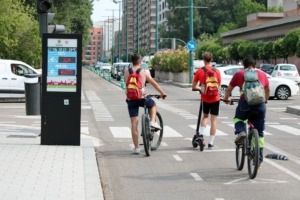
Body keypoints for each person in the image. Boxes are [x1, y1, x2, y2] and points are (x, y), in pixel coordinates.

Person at [223, 56, 270, 166]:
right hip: (260, 105)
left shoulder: (239, 74)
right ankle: (258, 158)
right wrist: (266, 100)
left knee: (238, 119)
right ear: (255, 65)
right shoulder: (262, 74)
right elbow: (267, 89)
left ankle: (241, 132)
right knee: (260, 132)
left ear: (243, 65)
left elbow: (229, 89)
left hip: (245, 104)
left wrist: (226, 98)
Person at [124, 53, 167, 154]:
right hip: (142, 97)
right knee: (152, 104)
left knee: (134, 123)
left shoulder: (127, 72)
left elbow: (126, 84)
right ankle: (152, 121)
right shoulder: (143, 72)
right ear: (140, 61)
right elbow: (153, 83)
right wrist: (162, 93)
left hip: (131, 99)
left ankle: (136, 148)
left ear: (131, 61)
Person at [192, 52, 221, 150]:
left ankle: (201, 135)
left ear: (203, 60)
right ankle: (211, 143)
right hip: (216, 98)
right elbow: (219, 85)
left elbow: (194, 86)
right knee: (214, 121)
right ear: (211, 59)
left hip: (205, 98)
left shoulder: (200, 71)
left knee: (205, 117)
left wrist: (200, 89)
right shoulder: (216, 71)